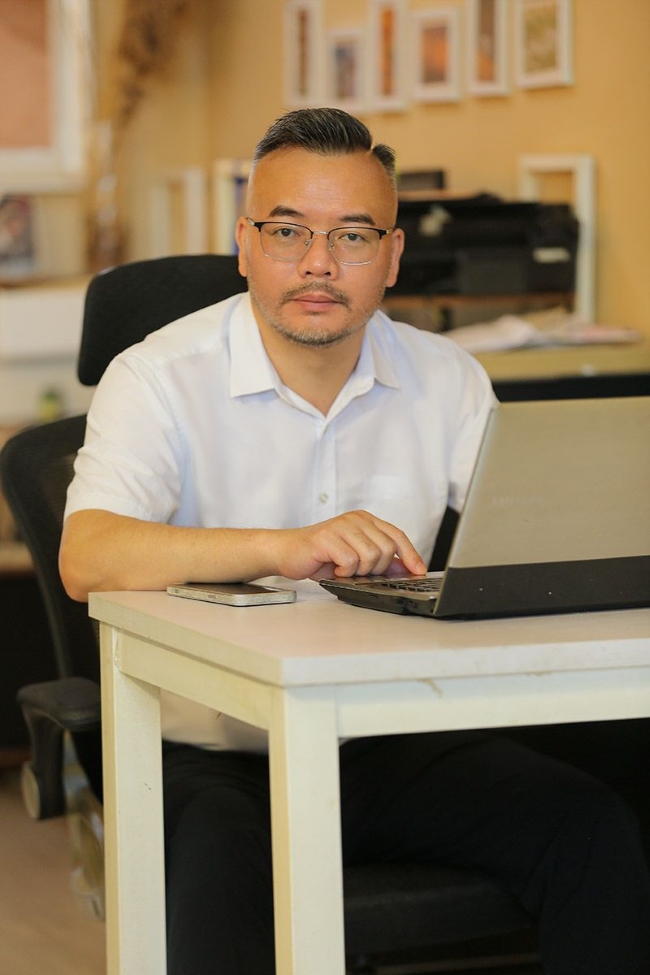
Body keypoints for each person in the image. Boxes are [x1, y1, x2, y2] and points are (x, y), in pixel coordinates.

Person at [60, 107, 650, 975]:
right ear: (244, 244)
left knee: (592, 829)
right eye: (288, 230)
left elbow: (534, 533)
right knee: (221, 893)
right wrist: (283, 546)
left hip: (387, 737)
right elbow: (88, 554)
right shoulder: (156, 377)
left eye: (353, 234)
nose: (319, 263)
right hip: (211, 753)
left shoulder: (446, 377)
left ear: (394, 256)